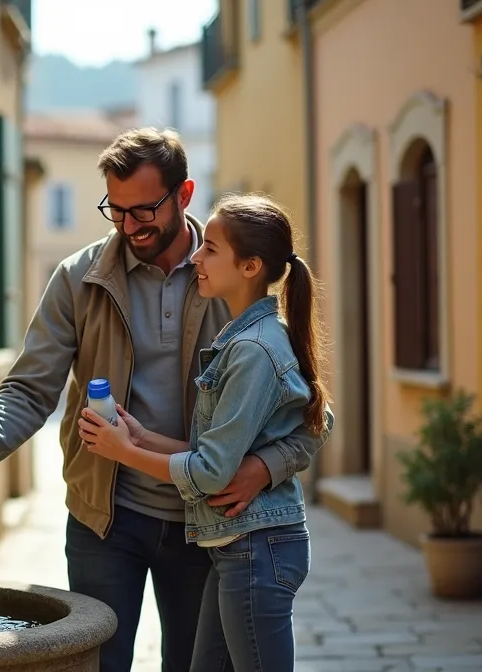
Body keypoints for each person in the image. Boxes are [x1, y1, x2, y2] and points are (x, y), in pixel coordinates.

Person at [0, 128, 329, 672]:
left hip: (209, 527)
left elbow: (309, 417)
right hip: (106, 520)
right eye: (115, 210)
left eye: (143, 210)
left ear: (184, 194)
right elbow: (29, 389)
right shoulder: (78, 278)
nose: (128, 226)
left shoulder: (232, 280)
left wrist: (264, 467)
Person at [78, 192, 333, 672]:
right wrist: (138, 435)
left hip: (258, 551)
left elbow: (212, 472)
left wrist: (123, 452)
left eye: (211, 248)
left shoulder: (255, 349)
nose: (197, 256)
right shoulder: (245, 337)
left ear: (251, 266)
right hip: (237, 548)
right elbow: (218, 452)